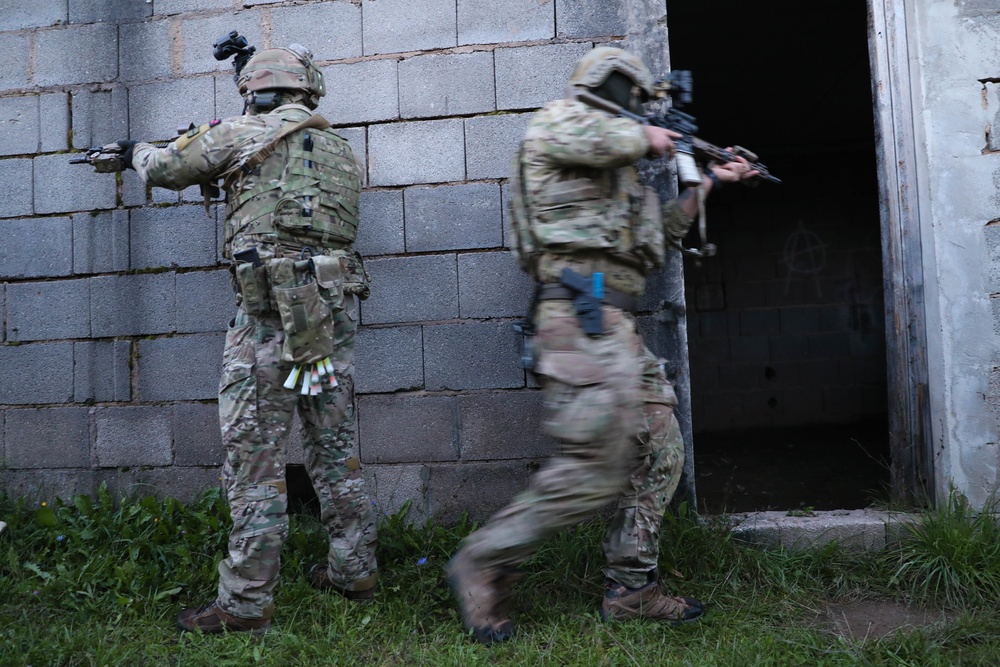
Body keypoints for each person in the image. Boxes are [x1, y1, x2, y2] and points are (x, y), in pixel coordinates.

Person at [446, 46, 758, 644]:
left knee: (661, 448)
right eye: (636, 97)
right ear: (613, 87)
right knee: (595, 468)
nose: (640, 110)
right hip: (576, 315)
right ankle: (481, 560)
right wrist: (654, 138)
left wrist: (713, 180)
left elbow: (662, 237)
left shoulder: (622, 176)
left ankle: (632, 589)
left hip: (617, 326)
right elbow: (599, 138)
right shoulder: (559, 123)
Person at [122, 44, 378, 635]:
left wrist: (138, 153)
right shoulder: (340, 150)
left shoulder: (243, 133)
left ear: (257, 91)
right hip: (323, 325)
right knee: (333, 446)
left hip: (268, 327)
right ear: (307, 90)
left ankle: (244, 603)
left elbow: (165, 169)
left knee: (254, 461)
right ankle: (354, 570)